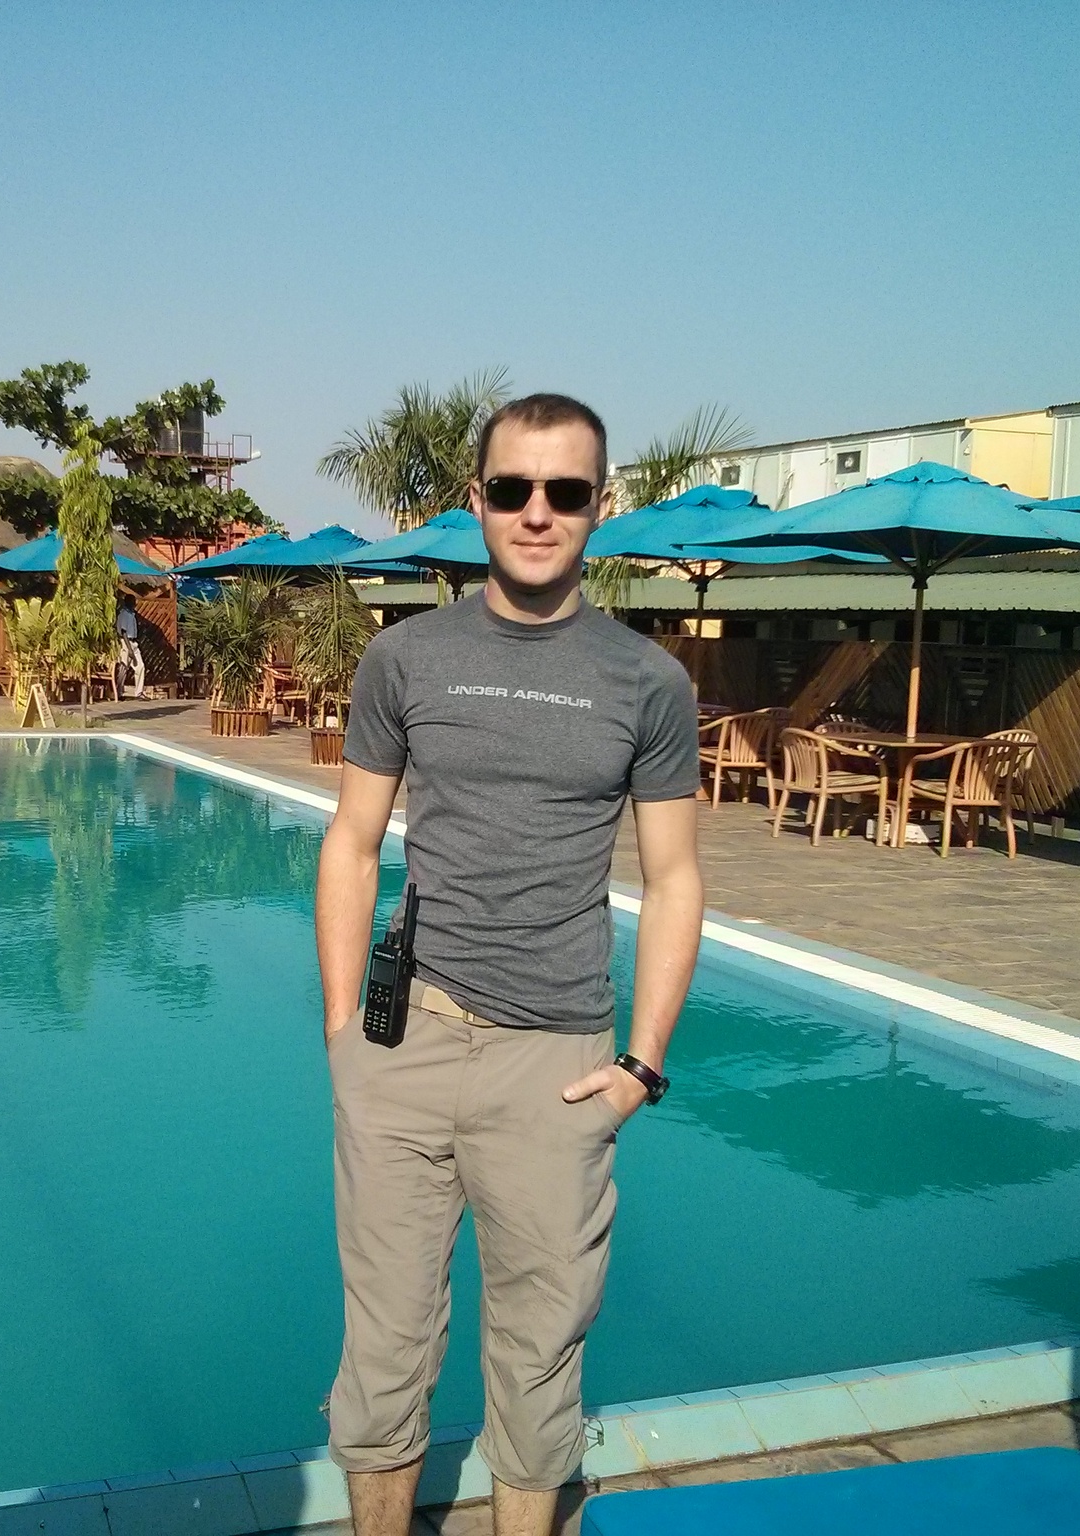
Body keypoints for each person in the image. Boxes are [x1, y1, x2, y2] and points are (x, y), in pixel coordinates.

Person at [315, 393, 705, 1536]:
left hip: (554, 1064)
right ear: (475, 499)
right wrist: (342, 1032)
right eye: (512, 488)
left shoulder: (646, 683)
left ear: (598, 504)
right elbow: (350, 842)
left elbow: (674, 879)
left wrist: (641, 1064)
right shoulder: (403, 658)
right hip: (405, 1041)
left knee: (537, 1365)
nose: (537, 512)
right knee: (382, 1353)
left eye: (564, 491)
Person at [115, 594, 146, 699]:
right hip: (126, 642)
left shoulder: (131, 614)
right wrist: (129, 649)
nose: (135, 603)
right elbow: (123, 632)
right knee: (123, 667)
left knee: (140, 666)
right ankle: (118, 693)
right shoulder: (124, 614)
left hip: (133, 642)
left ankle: (139, 692)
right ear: (128, 602)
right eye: (133, 601)